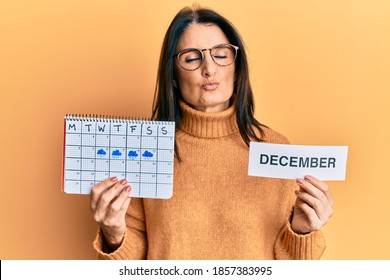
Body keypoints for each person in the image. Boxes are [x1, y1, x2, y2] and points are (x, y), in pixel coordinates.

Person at [89, 5, 334, 260]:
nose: (209, 68)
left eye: (221, 54)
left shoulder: (276, 149)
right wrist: (114, 235)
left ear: (237, 68)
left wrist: (302, 231)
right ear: (172, 75)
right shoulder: (146, 151)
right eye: (192, 58)